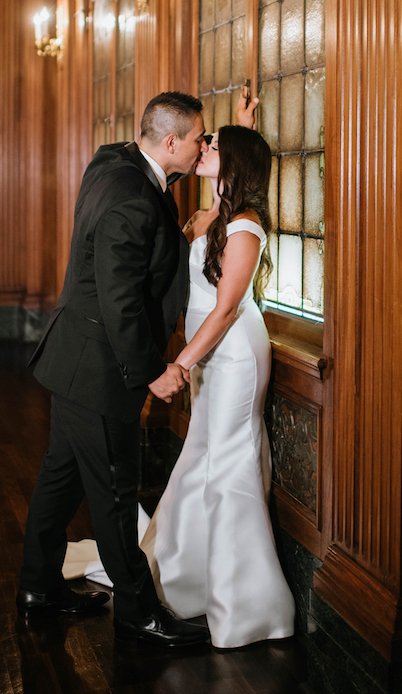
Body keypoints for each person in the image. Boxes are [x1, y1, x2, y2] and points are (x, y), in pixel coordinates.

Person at [64, 121, 296, 648]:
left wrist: (180, 365)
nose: (204, 148)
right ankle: (185, 573)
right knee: (200, 454)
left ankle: (244, 601)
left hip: (233, 354)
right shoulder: (207, 214)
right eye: (204, 140)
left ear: (233, 162)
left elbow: (227, 309)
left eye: (215, 145)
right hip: (204, 355)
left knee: (229, 459)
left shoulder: (245, 226)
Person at [16, 91, 211, 650]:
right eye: (198, 139)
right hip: (99, 372)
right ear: (170, 142)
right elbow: (120, 298)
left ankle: (37, 588)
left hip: (73, 359)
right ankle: (137, 614)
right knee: (118, 494)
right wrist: (151, 372)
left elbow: (138, 249)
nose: (202, 148)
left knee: (61, 479)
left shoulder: (113, 159)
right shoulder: (134, 197)